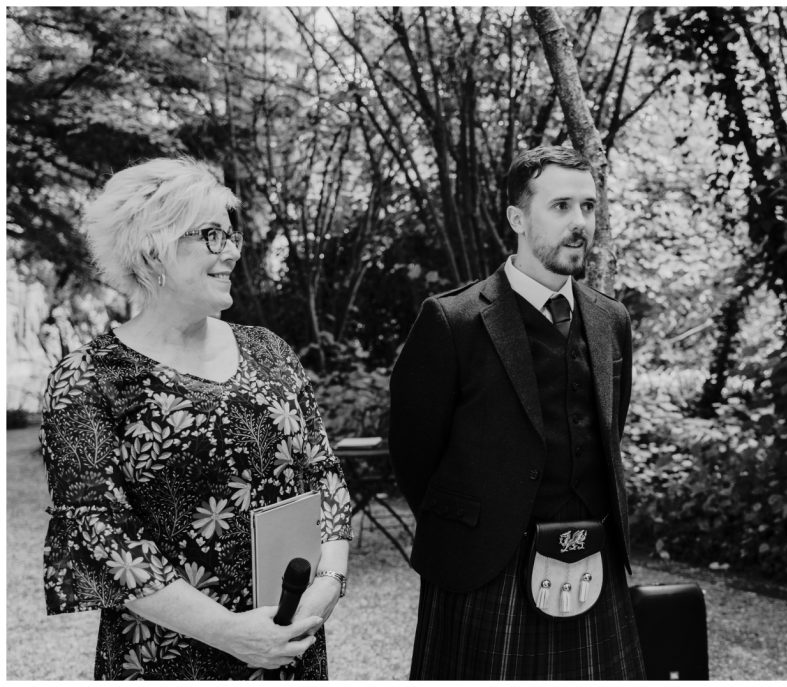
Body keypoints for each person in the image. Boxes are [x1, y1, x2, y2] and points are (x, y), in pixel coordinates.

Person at [40, 158, 353, 680]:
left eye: (231, 235)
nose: (231, 250)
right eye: (210, 234)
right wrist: (230, 633)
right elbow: (101, 532)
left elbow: (325, 475)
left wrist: (329, 583)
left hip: (291, 641)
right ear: (150, 249)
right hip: (168, 656)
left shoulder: (269, 350)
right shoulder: (88, 380)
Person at [389, 145, 645, 679]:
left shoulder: (610, 319)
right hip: (486, 567)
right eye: (561, 206)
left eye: (589, 207)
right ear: (517, 218)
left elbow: (609, 428)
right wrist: (479, 525)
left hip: (593, 556)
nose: (580, 223)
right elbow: (414, 454)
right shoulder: (452, 321)